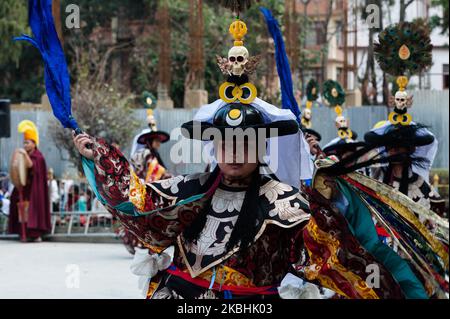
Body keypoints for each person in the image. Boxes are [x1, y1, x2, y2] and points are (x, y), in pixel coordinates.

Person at [8, 120, 51, 242]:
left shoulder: (38, 156)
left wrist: (23, 154)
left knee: (32, 209)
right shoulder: (24, 153)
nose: (25, 145)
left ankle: (35, 233)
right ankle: (22, 232)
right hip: (24, 187)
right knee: (17, 203)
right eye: (24, 143)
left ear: (34, 143)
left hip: (34, 189)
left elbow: (31, 166)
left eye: (27, 143)